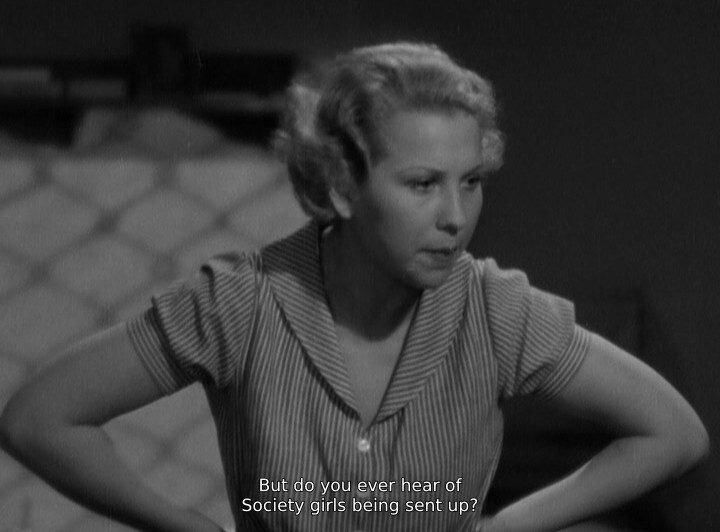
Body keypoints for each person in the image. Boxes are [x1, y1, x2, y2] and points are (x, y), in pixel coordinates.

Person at [0, 42, 709, 532]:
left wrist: (510, 526)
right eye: (423, 184)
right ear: (340, 187)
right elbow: (39, 419)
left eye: (472, 181)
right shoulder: (242, 302)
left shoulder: (493, 310)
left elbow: (673, 434)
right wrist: (182, 525)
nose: (456, 216)